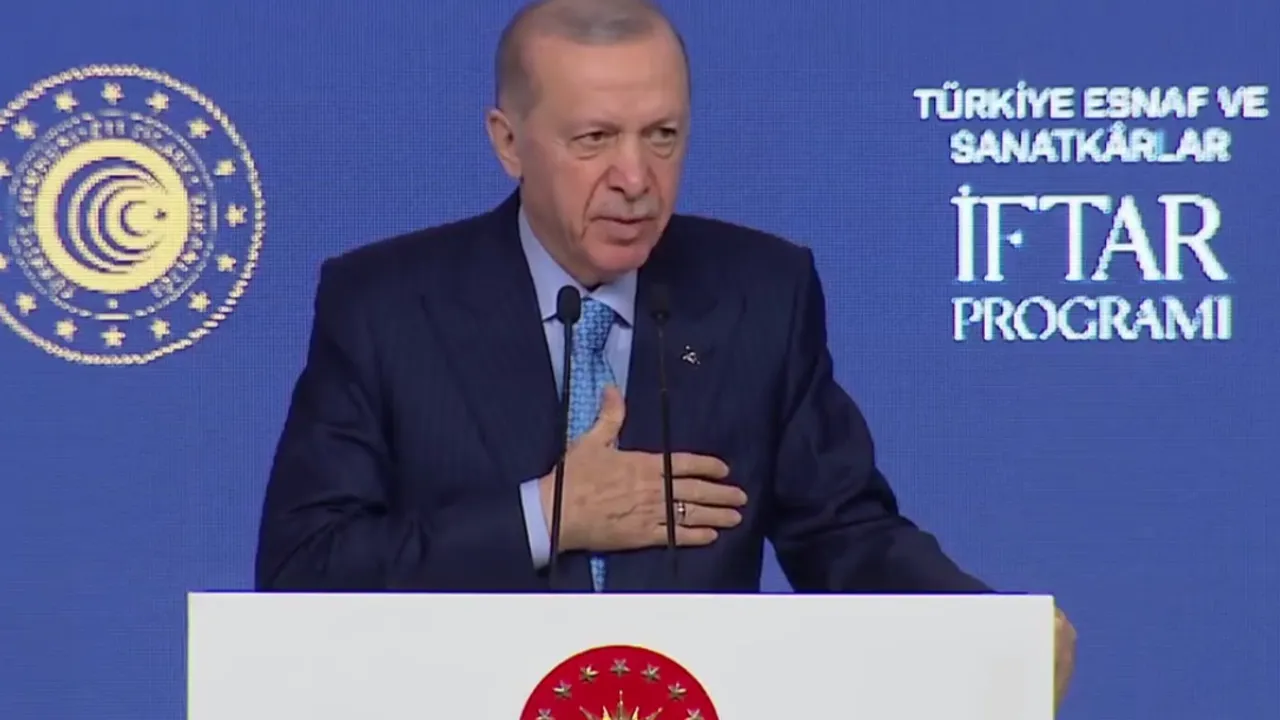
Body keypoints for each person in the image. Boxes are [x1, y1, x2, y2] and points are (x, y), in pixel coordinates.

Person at [254, 0, 1075, 707]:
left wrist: (992, 632)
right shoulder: (386, 306)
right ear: (509, 142)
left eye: (663, 135)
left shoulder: (761, 293)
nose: (636, 177)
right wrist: (545, 516)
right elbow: (303, 572)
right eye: (594, 138)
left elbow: (844, 533)